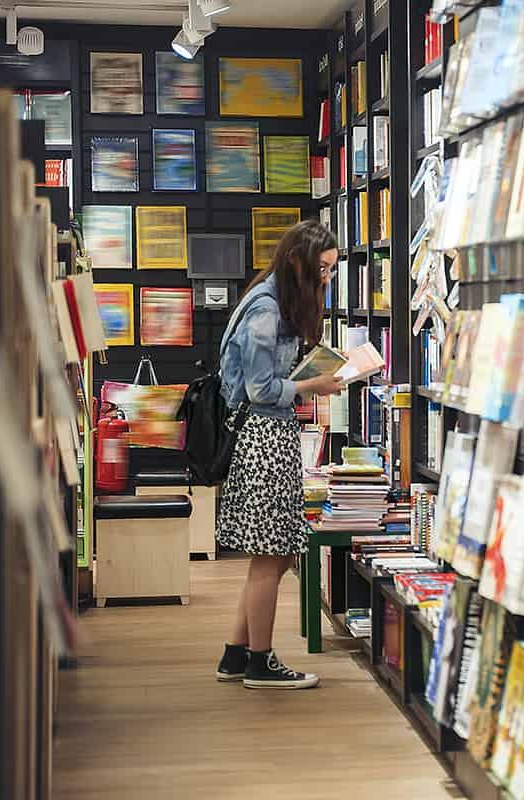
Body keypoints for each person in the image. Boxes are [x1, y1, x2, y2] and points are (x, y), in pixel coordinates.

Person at [214, 220, 342, 689]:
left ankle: (235, 654)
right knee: (272, 556)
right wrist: (315, 384)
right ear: (297, 262)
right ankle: (260, 662)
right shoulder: (266, 310)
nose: (327, 278)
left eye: (332, 269)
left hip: (273, 436)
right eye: (322, 269)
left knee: (275, 555)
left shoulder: (276, 300)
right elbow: (260, 388)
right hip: (264, 439)